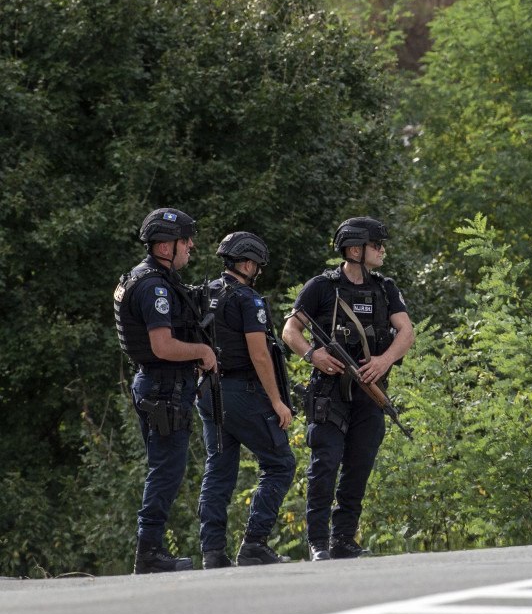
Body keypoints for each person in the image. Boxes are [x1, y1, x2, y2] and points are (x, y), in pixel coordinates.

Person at [281, 217, 415, 560]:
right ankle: (318, 543)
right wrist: (313, 355)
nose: (382, 250)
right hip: (329, 391)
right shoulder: (322, 287)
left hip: (370, 390)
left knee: (359, 465)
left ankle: (343, 539)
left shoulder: (385, 288)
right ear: (355, 250)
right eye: (376, 245)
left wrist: (383, 361)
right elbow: (290, 331)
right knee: (325, 464)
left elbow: (406, 332)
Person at [113, 208, 216, 573]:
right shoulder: (154, 286)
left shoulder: (152, 278)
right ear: (164, 244)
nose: (190, 246)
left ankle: (151, 549)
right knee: (166, 469)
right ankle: (149, 551)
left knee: (166, 467)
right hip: (163, 387)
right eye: (185, 240)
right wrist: (202, 352)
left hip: (162, 385)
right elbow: (162, 345)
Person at [196, 232, 297, 569]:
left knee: (219, 470)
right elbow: (259, 355)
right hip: (242, 391)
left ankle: (212, 551)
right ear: (249, 263)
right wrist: (278, 402)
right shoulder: (247, 299)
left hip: (208, 390)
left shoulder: (204, 293)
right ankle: (254, 542)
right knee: (280, 464)